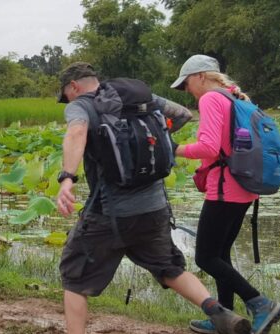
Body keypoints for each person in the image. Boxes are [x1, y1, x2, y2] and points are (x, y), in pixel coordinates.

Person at [53, 62, 250, 334]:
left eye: (66, 95)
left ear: (74, 86)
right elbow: (182, 115)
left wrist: (67, 179)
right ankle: (218, 312)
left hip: (108, 214)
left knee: (74, 275)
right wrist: (152, 141)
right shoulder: (140, 97)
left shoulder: (81, 105)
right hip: (155, 208)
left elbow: (76, 132)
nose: (67, 101)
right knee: (170, 268)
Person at [170, 55, 280, 334]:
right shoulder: (236, 98)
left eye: (186, 84)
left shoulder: (210, 99)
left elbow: (209, 148)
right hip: (246, 187)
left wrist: (174, 149)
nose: (186, 91)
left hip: (225, 188)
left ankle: (259, 303)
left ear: (200, 76)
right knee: (220, 254)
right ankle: (224, 320)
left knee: (205, 257)